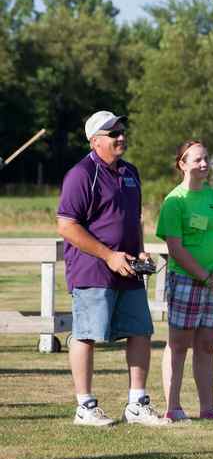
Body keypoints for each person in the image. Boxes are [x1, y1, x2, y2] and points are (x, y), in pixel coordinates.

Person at [56, 111, 165, 426]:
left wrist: (139, 248)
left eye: (121, 130)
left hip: (129, 268)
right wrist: (108, 256)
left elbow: (134, 218)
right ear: (95, 141)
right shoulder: (81, 174)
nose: (120, 136)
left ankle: (137, 404)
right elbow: (67, 226)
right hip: (93, 270)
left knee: (141, 331)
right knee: (86, 335)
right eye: (112, 133)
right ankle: (85, 407)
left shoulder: (131, 172)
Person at [155, 140, 213, 423]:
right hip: (187, 282)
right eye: (197, 160)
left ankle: (208, 408)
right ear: (183, 164)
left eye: (206, 159)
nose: (204, 165)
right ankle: (172, 408)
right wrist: (204, 277)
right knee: (178, 345)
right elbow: (175, 248)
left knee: (206, 347)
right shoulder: (174, 201)